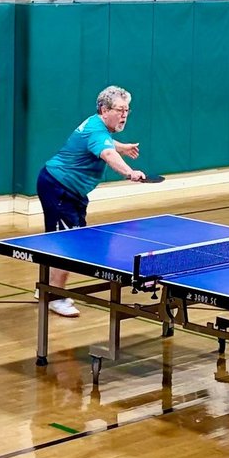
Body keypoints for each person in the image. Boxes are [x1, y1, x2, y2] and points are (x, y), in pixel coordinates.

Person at [36, 86, 147, 318]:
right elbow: (107, 153)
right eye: (120, 109)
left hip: (65, 188)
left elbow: (106, 144)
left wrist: (122, 146)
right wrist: (129, 172)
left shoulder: (97, 126)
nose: (124, 114)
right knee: (68, 244)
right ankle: (54, 297)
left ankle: (46, 287)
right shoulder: (97, 132)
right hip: (60, 189)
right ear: (104, 110)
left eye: (127, 109)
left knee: (63, 240)